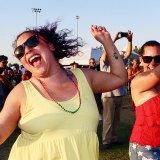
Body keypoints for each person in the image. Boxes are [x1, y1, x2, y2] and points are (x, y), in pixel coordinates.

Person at [0, 22, 127, 160]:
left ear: (51, 45)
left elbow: (119, 77)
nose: (27, 50)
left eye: (32, 42)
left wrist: (107, 41)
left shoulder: (84, 77)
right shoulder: (21, 92)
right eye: (19, 52)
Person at [100, 30, 133, 149]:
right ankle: (105, 141)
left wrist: (129, 40)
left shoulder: (118, 63)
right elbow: (105, 52)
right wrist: (112, 40)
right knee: (108, 120)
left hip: (119, 94)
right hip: (108, 95)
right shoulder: (104, 62)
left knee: (116, 120)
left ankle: (113, 138)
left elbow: (128, 53)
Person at [129, 40, 160, 160]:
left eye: (158, 59)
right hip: (146, 147)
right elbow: (154, 75)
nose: (152, 63)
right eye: (148, 59)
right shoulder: (138, 81)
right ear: (141, 60)